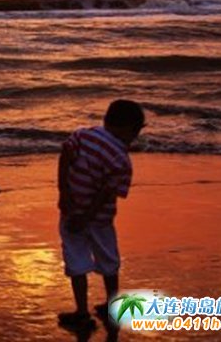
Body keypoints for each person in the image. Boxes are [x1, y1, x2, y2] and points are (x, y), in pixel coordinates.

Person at [57, 99, 145, 331]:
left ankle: (82, 311)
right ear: (129, 128)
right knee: (108, 260)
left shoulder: (83, 135)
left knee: (76, 261)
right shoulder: (121, 159)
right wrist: (88, 216)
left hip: (71, 211)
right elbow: (107, 193)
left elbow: (65, 155)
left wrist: (63, 192)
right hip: (100, 219)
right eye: (136, 131)